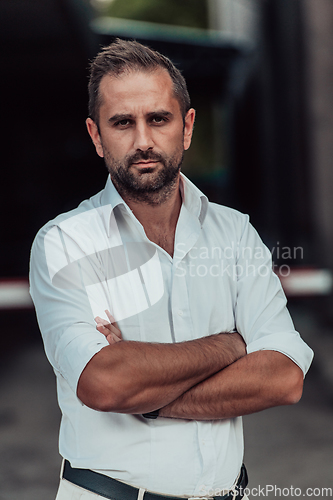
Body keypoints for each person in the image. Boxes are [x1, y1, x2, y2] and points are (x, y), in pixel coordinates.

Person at [29, 38, 313, 500]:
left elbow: (284, 377)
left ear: (187, 126)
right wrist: (232, 344)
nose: (143, 140)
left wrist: (150, 399)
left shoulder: (235, 234)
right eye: (122, 122)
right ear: (96, 135)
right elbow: (105, 381)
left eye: (158, 118)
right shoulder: (65, 243)